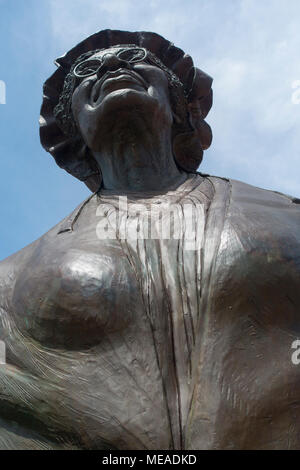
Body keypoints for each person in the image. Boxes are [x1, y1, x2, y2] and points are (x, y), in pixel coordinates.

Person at [0, 29, 299, 450]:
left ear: (178, 104)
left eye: (133, 58)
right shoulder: (14, 278)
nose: (110, 66)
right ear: (73, 129)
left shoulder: (288, 214)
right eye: (87, 71)